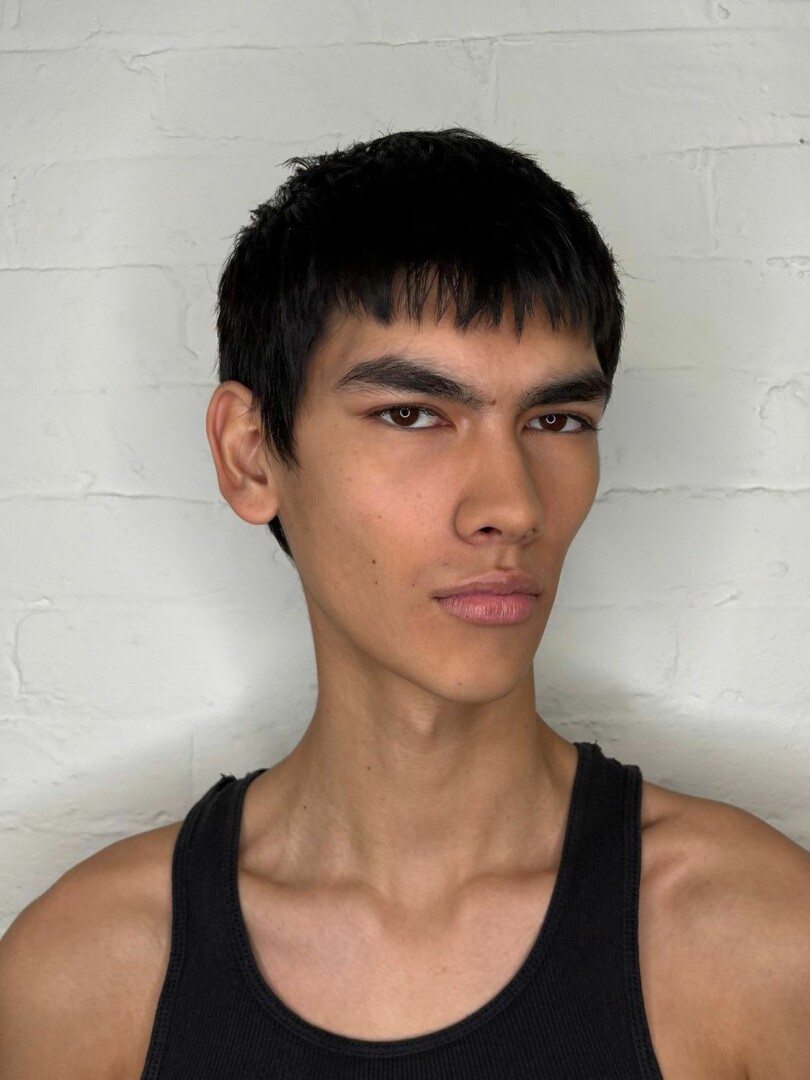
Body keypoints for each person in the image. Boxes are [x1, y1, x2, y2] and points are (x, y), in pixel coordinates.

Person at [1, 128, 808, 1080]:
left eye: (556, 419)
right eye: (412, 414)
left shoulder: (759, 942)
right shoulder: (87, 976)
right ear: (251, 455)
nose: (511, 506)